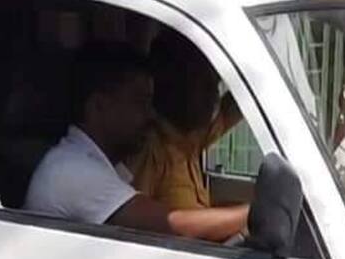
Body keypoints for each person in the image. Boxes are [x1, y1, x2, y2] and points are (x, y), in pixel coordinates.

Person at [25, 42, 248, 244]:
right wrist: (253, 214)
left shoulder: (95, 163)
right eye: (140, 102)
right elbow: (173, 226)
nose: (151, 114)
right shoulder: (74, 170)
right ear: (99, 106)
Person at [131, 29, 241, 213]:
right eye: (205, 86)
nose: (214, 96)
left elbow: (235, 106)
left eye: (215, 86)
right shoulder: (149, 151)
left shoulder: (193, 138)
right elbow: (134, 221)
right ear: (175, 86)